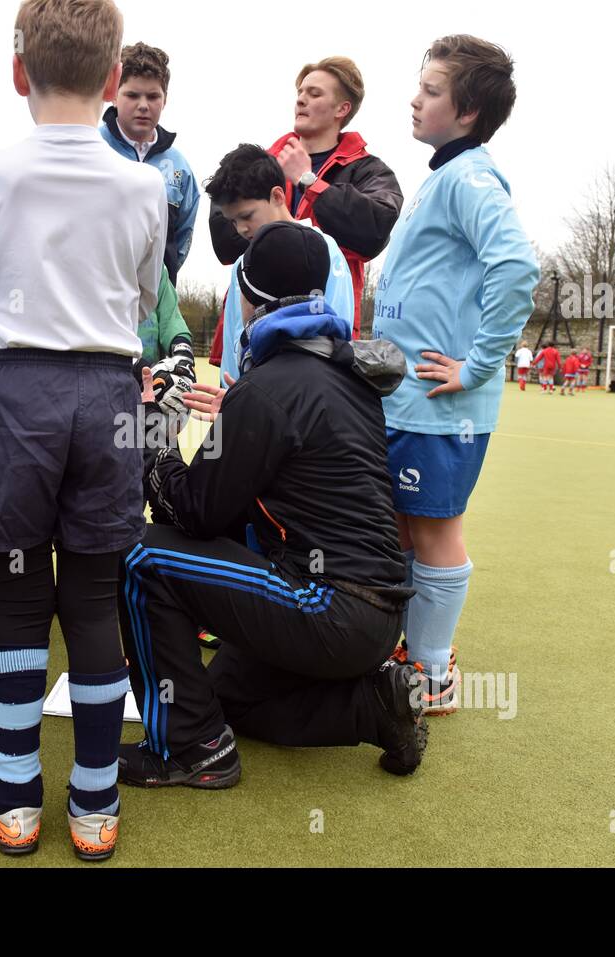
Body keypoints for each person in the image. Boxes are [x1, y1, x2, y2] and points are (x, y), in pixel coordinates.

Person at [0, 0, 164, 862]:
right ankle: (94, 804)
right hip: (107, 394)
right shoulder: (147, 182)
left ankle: (15, 797)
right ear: (114, 82)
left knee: (16, 599)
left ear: (18, 74)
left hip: (17, 393)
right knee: (89, 599)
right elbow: (147, 297)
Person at [118, 219, 425, 789]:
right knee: (226, 695)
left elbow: (192, 514)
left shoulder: (268, 388)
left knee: (142, 556)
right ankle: (373, 706)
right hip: (376, 619)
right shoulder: (345, 378)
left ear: (249, 299)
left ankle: (191, 751)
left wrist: (153, 429)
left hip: (325, 606)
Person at [372, 35, 538, 715]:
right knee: (407, 528)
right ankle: (410, 650)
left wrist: (476, 363)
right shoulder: (444, 174)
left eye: (432, 91)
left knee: (435, 530)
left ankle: (432, 669)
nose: (416, 98)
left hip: (440, 405)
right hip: (410, 399)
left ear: (467, 112)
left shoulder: (470, 176)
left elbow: (517, 267)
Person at [209, 56, 402, 337]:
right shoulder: (260, 163)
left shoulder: (369, 170)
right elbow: (223, 242)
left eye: (314, 94)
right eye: (300, 92)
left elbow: (374, 231)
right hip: (251, 325)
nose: (301, 100)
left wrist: (308, 181)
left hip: (326, 326)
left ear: (342, 108)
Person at [206, 144, 355, 387]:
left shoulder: (325, 250)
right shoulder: (242, 264)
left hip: (305, 400)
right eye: (233, 221)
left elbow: (338, 333)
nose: (241, 229)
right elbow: (236, 336)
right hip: (248, 403)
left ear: (277, 196)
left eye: (247, 216)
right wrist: (231, 396)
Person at [98, 41, 198, 285]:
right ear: (113, 95)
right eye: (132, 95)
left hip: (155, 302)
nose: (143, 105)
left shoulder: (180, 168)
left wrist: (162, 276)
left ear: (165, 99)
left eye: (153, 96)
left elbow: (182, 238)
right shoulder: (91, 148)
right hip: (95, 295)